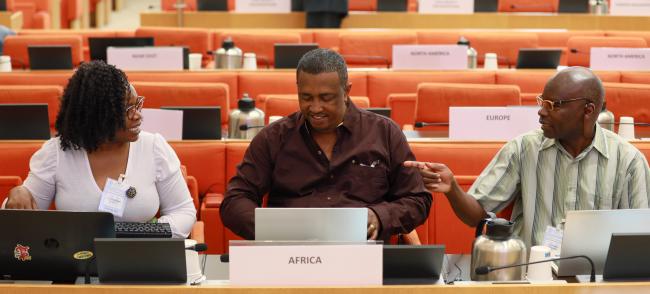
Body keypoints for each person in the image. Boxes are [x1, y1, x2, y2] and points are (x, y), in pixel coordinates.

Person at [405, 66, 650, 247]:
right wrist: (453, 189)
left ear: (588, 111)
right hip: (531, 275)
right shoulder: (524, 148)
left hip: (596, 280)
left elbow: (640, 238)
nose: (541, 112)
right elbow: (476, 215)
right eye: (542, 102)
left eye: (554, 105)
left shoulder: (628, 161)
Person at [221, 48, 431, 241]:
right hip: (289, 254)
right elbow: (235, 201)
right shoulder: (273, 138)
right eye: (306, 97)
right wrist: (274, 228)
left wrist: (379, 216)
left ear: (346, 91)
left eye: (326, 98)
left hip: (364, 254)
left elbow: (417, 199)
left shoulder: (384, 133)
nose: (315, 108)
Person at [5, 61, 196, 238]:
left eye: (137, 105)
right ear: (96, 115)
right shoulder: (57, 153)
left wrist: (144, 235)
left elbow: (183, 212)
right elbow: (21, 219)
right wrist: (17, 195)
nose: (137, 115)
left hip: (143, 258)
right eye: (127, 109)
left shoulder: (153, 147)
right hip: (76, 264)